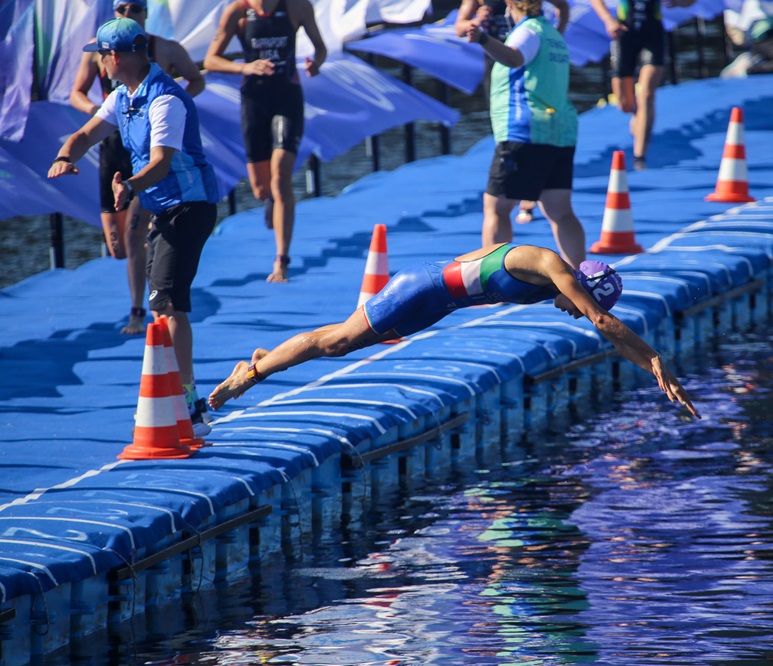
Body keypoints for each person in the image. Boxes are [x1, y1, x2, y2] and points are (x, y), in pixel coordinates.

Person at [208, 243, 700, 418]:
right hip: (419, 289)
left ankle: (264, 358)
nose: (577, 314)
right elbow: (606, 323)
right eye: (584, 305)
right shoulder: (554, 267)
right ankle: (249, 374)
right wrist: (655, 360)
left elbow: (606, 329)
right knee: (338, 342)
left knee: (339, 343)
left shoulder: (556, 277)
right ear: (584, 289)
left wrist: (654, 369)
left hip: (436, 305)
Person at [50, 18, 219, 436]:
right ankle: (183, 403)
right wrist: (64, 155)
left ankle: (191, 407)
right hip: (165, 208)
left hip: (190, 206)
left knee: (166, 303)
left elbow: (161, 162)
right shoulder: (124, 96)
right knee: (163, 301)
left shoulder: (165, 100)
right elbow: (87, 133)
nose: (98, 65)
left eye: (100, 56)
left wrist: (128, 187)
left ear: (116, 57)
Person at [70, 0, 205, 335]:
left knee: (136, 233)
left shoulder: (164, 62)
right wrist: (98, 115)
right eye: (121, 9)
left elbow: (195, 80)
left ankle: (138, 309)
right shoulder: (111, 83)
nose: (129, 14)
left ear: (146, 14)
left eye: (136, 9)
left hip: (149, 162)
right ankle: (152, 284)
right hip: (116, 147)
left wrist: (174, 116)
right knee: (118, 247)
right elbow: (77, 96)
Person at [203, 0, 326, 284]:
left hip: (287, 99)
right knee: (260, 188)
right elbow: (211, 60)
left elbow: (320, 47)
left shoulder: (297, 7)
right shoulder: (237, 11)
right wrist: (246, 68)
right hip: (254, 101)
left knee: (281, 175)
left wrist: (315, 62)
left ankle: (281, 260)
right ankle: (271, 196)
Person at [465, 0, 587, 270]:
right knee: (560, 211)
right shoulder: (553, 33)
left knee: (497, 209)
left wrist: (484, 39)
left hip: (525, 132)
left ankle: (492, 285)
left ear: (510, 4)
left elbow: (514, 57)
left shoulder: (527, 31)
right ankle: (580, 278)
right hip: (560, 132)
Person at [455, 0, 570, 223]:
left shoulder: (531, 25)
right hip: (497, 60)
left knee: (525, 129)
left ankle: (528, 194)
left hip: (525, 58)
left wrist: (557, 34)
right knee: (504, 126)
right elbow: (460, 26)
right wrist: (476, 23)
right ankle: (524, 185)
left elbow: (562, 5)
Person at [589, 0, 695, 169]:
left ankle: (640, 157)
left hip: (652, 34)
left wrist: (678, 2)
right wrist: (608, 20)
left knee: (646, 93)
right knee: (624, 104)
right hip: (625, 34)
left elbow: (690, 2)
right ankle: (640, 113)